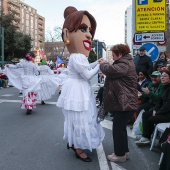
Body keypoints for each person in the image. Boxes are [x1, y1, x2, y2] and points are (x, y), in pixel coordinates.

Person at [56, 6, 105, 162]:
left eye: (90, 30)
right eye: (83, 29)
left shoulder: (79, 57)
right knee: (81, 119)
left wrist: (96, 62)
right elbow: (88, 74)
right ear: (67, 34)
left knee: (81, 118)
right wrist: (100, 66)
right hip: (77, 89)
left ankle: (75, 143)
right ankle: (77, 147)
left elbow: (85, 68)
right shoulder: (77, 56)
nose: (89, 35)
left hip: (79, 88)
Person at [99, 44, 138, 162]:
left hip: (124, 104)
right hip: (125, 103)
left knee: (117, 129)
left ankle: (119, 155)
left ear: (120, 54)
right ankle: (124, 152)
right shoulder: (126, 63)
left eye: (114, 55)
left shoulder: (124, 64)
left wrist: (103, 63)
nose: (113, 57)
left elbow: (110, 71)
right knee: (121, 129)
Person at [135, 66, 170, 146]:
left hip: (167, 113)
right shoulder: (164, 87)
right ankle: (145, 137)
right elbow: (159, 101)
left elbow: (167, 105)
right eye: (162, 76)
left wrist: (157, 112)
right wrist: (155, 109)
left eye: (165, 76)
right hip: (161, 110)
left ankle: (147, 137)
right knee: (145, 114)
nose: (162, 78)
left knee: (150, 118)